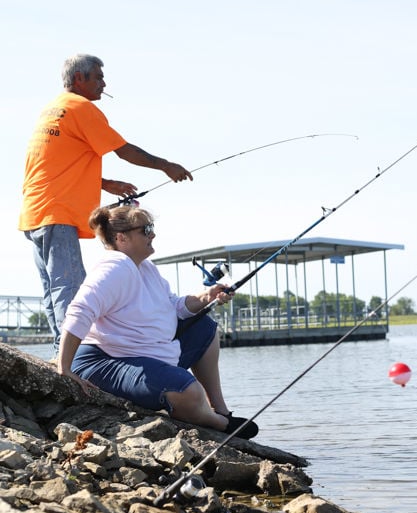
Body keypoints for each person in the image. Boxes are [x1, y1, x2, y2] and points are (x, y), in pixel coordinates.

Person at [18, 53, 193, 353]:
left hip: (34, 213)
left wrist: (103, 183)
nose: (104, 83)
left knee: (51, 290)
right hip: (57, 214)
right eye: (98, 77)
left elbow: (56, 163)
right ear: (79, 79)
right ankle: (74, 358)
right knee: (69, 288)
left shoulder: (52, 109)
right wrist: (167, 165)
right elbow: (124, 150)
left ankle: (61, 349)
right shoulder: (81, 108)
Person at [57, 204, 259, 440]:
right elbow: (79, 310)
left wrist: (208, 296)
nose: (152, 234)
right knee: (189, 392)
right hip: (104, 359)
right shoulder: (114, 267)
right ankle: (219, 423)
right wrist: (64, 367)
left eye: (151, 228)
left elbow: (173, 306)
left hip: (144, 353)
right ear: (122, 238)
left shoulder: (145, 267)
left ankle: (220, 409)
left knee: (206, 328)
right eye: (146, 229)